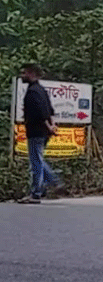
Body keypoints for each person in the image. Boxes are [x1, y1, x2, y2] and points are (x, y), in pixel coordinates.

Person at [18, 64, 62, 204]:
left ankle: (38, 191)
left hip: (36, 131)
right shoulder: (41, 90)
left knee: (36, 162)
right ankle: (43, 188)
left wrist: (49, 126)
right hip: (43, 132)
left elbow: (41, 112)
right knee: (38, 160)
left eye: (24, 73)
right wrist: (52, 125)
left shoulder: (32, 92)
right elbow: (50, 109)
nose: (21, 76)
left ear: (31, 74)